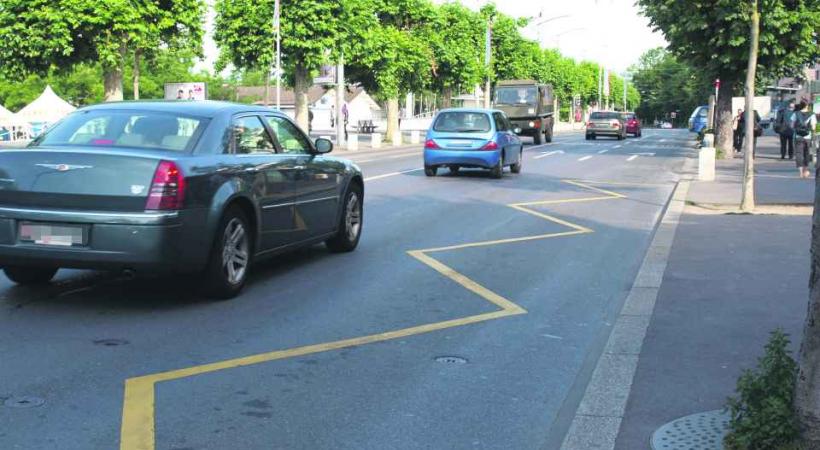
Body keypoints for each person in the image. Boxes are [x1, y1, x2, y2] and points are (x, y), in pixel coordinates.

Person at [791, 101, 817, 178]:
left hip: (798, 136)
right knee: (806, 153)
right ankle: (805, 170)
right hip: (807, 137)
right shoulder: (811, 114)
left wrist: (797, 128)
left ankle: (800, 173)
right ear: (807, 106)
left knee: (799, 153)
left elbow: (792, 125)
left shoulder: (796, 113)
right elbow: (813, 127)